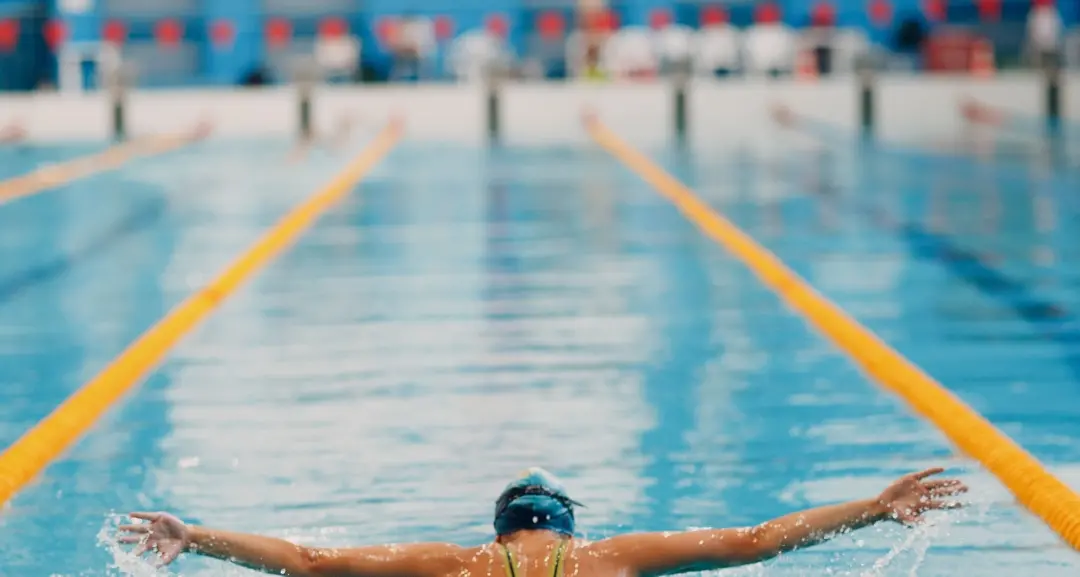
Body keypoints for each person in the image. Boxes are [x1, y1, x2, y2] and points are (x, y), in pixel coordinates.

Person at [117, 466, 966, 575]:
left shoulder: (449, 565)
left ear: (499, 532)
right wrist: (869, 509)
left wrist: (195, 536)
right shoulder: (611, 559)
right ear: (564, 527)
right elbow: (754, 539)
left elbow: (303, 559)